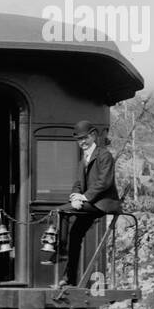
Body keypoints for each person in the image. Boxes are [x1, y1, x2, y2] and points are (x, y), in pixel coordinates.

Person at [48, 120, 120, 286]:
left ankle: (61, 251)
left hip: (103, 203)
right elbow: (78, 183)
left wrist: (84, 198)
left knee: (60, 211)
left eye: (85, 138)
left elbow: (104, 182)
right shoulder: (83, 160)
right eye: (79, 139)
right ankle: (69, 278)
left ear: (93, 136)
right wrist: (75, 196)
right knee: (75, 235)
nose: (82, 142)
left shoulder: (104, 155)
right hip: (91, 203)